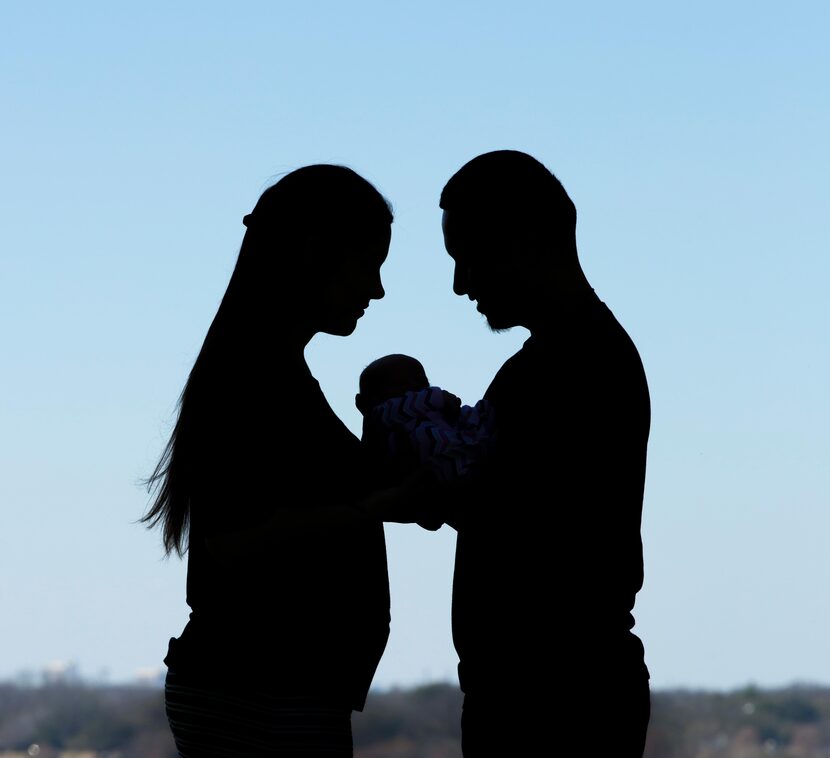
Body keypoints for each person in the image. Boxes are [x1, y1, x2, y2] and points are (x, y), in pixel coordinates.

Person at [141, 164, 394, 757]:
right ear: (315, 252)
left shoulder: (264, 372)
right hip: (263, 691)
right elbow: (233, 538)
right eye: (369, 265)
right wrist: (371, 505)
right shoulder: (258, 380)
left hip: (262, 687)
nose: (377, 290)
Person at [438, 150, 652, 756]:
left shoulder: (575, 366)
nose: (461, 284)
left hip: (555, 700)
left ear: (527, 242)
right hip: (546, 690)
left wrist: (429, 485)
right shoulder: (565, 359)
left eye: (469, 258)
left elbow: (530, 519)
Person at [355, 353, 495, 487]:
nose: (415, 387)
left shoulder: (432, 411)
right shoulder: (381, 414)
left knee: (474, 420)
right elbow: (411, 404)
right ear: (371, 399)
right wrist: (439, 397)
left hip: (461, 447)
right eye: (401, 383)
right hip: (437, 468)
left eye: (422, 382)